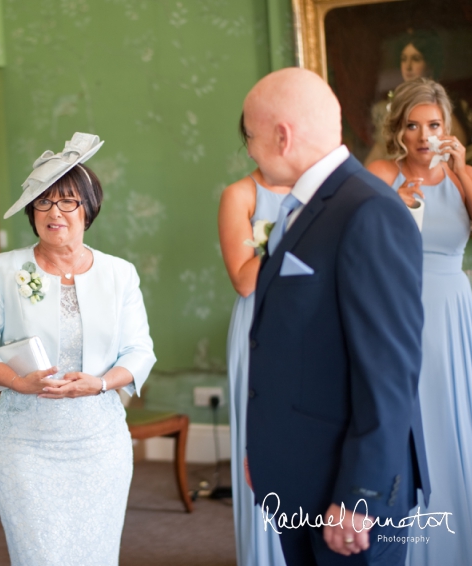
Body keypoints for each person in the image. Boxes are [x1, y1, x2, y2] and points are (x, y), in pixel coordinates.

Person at [243, 67, 429, 566]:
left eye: (250, 135)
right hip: (300, 473)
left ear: (281, 135)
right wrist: (264, 447)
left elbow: (390, 372)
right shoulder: (303, 208)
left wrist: (358, 495)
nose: (249, 150)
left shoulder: (369, 210)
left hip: (348, 494)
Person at [0, 132, 156, 566]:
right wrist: (18, 383)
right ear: (31, 212)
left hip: (99, 444)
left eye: (67, 201)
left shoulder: (120, 275)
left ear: (89, 208)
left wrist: (100, 383)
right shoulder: (3, 269)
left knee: (97, 555)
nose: (54, 212)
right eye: (43, 202)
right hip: (25, 443)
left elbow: (140, 352)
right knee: (39, 556)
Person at [367, 78, 472, 566]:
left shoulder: (466, 177)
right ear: (399, 129)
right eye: (412, 125)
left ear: (447, 128)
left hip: (453, 310)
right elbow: (363, 239)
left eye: (433, 125)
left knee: (451, 416)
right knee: (410, 419)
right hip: (399, 305)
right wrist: (397, 204)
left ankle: (459, 547)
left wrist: (462, 171)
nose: (422, 135)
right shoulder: (380, 172)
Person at [218, 157, 289, 566]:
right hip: (259, 322)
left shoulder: (320, 188)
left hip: (311, 322)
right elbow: (245, 280)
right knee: (260, 444)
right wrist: (294, 233)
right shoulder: (240, 195)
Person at [364, 30, 472, 166]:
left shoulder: (442, 107)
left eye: (416, 59)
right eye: (404, 59)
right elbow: (378, 154)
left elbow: (453, 156)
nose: (408, 66)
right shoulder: (390, 107)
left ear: (431, 64)